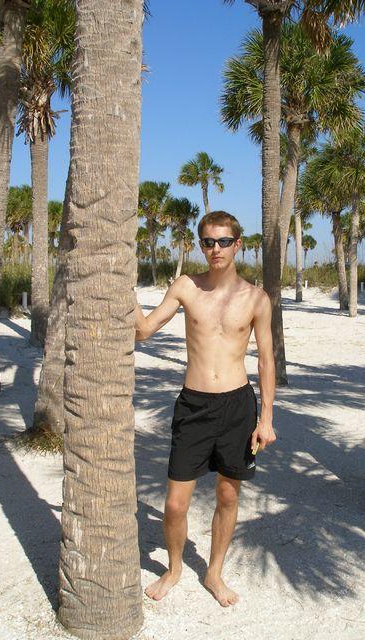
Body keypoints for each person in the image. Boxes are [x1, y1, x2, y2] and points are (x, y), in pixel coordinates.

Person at [135, 210, 276, 607]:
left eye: (224, 241)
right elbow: (144, 330)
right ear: (201, 245)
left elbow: (266, 360)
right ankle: (174, 568)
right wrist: (124, 284)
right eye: (209, 242)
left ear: (238, 245)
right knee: (175, 502)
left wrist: (266, 419)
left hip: (237, 406)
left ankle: (214, 572)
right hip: (193, 405)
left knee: (228, 496)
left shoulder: (256, 298)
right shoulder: (186, 287)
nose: (216, 249)